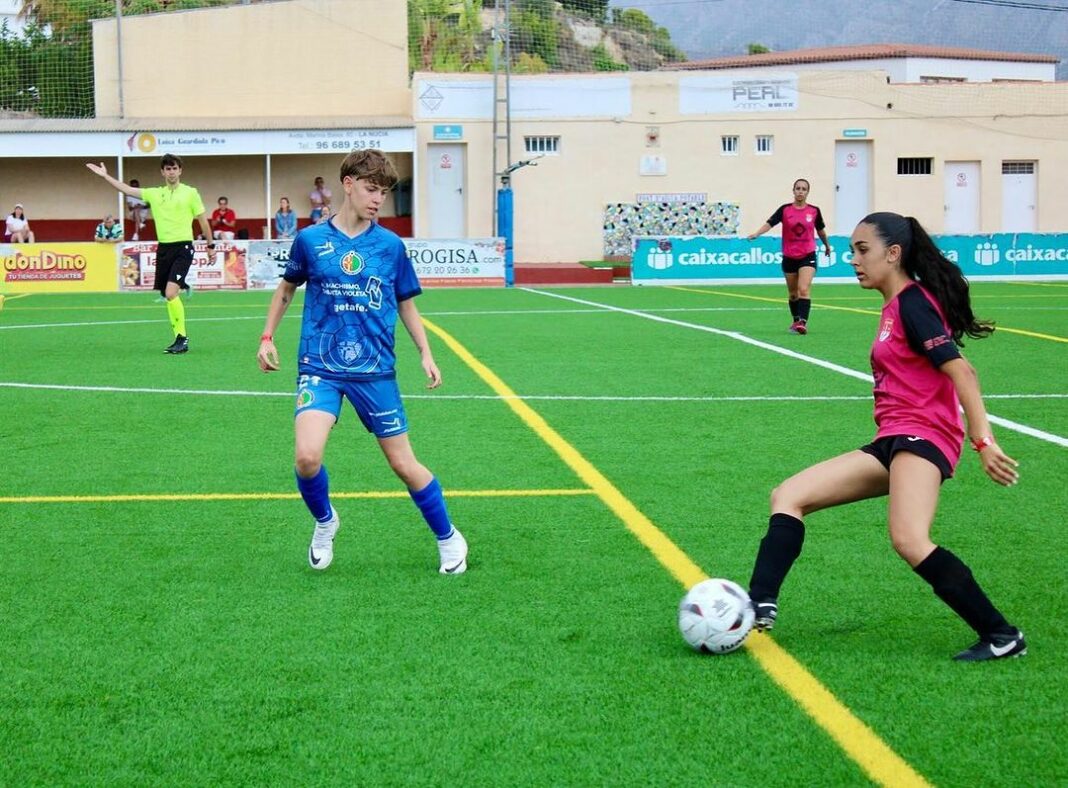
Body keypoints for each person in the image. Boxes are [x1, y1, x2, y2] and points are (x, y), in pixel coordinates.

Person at [746, 211, 1025, 662]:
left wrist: (984, 441)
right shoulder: (894, 306)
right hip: (892, 438)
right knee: (789, 495)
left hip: (924, 437)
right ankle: (756, 604)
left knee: (909, 538)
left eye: (862, 251)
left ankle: (1001, 634)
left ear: (893, 254)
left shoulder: (914, 303)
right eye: (853, 250)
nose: (853, 260)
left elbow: (963, 372)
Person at [256, 149, 468, 575]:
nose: (378, 199)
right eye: (372, 189)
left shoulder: (390, 247)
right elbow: (285, 289)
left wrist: (425, 352)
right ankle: (324, 521)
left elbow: (405, 303)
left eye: (384, 193)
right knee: (306, 457)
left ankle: (448, 538)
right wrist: (266, 337)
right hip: (320, 366)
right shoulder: (311, 240)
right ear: (348, 184)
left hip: (375, 371)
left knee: (403, 464)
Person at [87, 154, 212, 354]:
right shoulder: (154, 193)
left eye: (174, 168)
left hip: (183, 247)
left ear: (180, 170)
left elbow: (203, 220)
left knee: (171, 293)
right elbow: (126, 190)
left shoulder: (190, 193)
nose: (171, 172)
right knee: (166, 294)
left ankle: (182, 338)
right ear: (162, 172)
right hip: (164, 248)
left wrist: (210, 245)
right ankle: (178, 338)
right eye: (168, 169)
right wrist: (105, 176)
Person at [747, 178, 832, 335]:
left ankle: (803, 323)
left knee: (803, 289)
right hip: (789, 256)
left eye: (804, 189)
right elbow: (770, 223)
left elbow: (820, 230)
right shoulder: (785, 210)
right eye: (798, 188)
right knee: (793, 294)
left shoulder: (814, 211)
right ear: (793, 191)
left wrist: (826, 245)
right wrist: (757, 233)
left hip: (808, 255)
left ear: (808, 192)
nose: (800, 191)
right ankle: (795, 320)